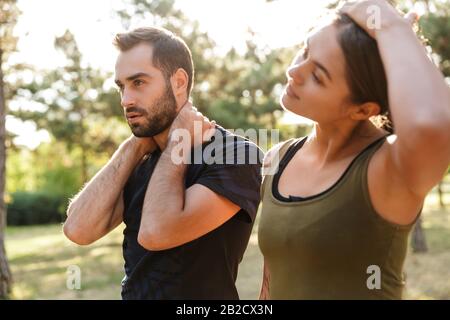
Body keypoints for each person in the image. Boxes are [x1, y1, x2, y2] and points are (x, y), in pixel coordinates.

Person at [258, 0, 450, 300]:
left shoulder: (385, 171)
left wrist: (391, 25)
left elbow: (431, 126)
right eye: (305, 51)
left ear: (362, 110)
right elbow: (271, 284)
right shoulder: (278, 159)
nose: (294, 70)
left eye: (318, 76)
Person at [63, 26, 263, 299]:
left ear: (179, 82)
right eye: (121, 87)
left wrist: (176, 146)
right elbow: (78, 229)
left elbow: (156, 233)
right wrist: (132, 147)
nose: (126, 100)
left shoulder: (236, 155)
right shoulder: (139, 156)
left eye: (139, 83)